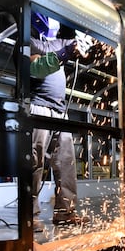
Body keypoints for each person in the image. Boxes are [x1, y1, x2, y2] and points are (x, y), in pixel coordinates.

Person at [29, 13, 89, 231]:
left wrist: (85, 40)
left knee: (66, 164)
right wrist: (65, 53)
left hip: (60, 110)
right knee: (34, 163)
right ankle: (29, 215)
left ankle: (65, 212)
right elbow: (36, 69)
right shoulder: (29, 41)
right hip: (38, 107)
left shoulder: (59, 41)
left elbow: (79, 46)